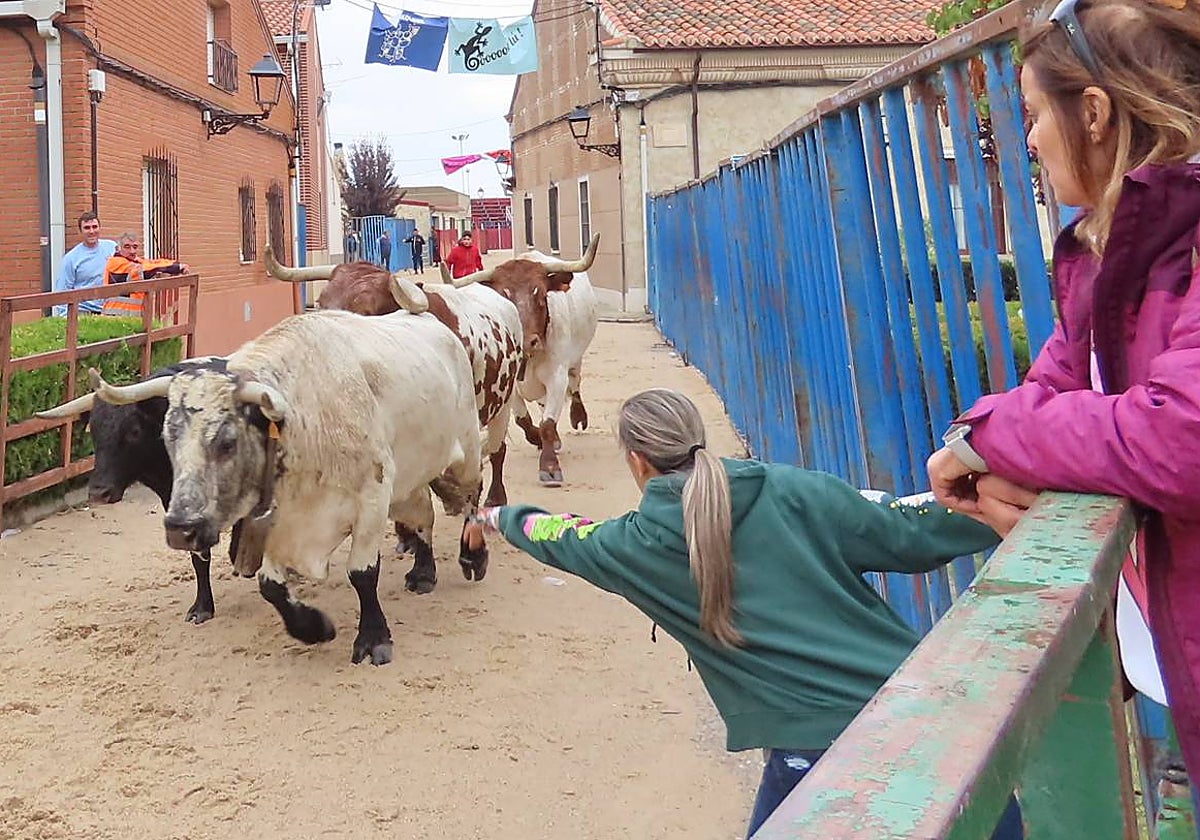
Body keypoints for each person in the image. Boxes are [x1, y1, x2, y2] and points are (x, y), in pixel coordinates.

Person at [467, 388, 1022, 838]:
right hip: (940, 721)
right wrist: (1015, 496)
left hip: (827, 756)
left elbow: (558, 533)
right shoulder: (796, 489)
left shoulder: (632, 548)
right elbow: (908, 527)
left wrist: (496, 517)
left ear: (637, 461)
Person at [926, 0, 1200, 781]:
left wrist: (985, 437)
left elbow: (1183, 439)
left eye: (1033, 114)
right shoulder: (1114, 252)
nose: (1033, 140)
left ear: (1097, 113)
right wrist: (976, 439)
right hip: (1169, 675)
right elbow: (1049, 386)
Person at [99, 232, 189, 316]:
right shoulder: (115, 262)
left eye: (135, 247)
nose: (132, 251)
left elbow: (153, 263)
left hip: (130, 316)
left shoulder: (134, 261)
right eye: (127, 247)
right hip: (114, 316)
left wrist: (177, 265)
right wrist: (176, 267)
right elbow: (146, 269)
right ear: (119, 248)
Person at [53, 211, 117, 316]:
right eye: (87, 228)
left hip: (110, 310)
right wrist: (64, 318)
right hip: (84, 312)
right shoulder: (71, 258)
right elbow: (62, 291)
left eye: (95, 227)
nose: (92, 231)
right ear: (80, 231)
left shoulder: (111, 248)